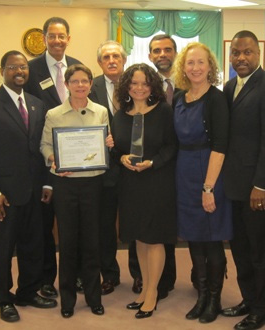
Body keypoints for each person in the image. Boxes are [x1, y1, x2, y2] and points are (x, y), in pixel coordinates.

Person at [0, 50, 57, 323]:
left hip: (33, 191)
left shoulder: (36, 103)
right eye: (12, 67)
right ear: (2, 70)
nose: (19, 72)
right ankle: (4, 299)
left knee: (33, 245)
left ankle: (28, 291)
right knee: (4, 250)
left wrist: (46, 182)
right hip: (4, 196)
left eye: (23, 67)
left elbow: (40, 148)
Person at [222, 30, 265, 330]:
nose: (241, 58)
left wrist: (261, 184)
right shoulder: (229, 86)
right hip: (233, 186)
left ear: (258, 53)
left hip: (258, 189)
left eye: (247, 52)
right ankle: (249, 299)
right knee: (241, 249)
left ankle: (263, 309)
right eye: (236, 52)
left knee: (262, 252)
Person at [40, 64, 108, 319]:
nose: (80, 85)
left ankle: (93, 297)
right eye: (75, 81)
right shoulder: (54, 114)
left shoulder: (100, 111)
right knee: (67, 243)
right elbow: (45, 145)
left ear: (91, 84)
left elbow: (104, 142)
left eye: (85, 81)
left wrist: (108, 141)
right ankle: (67, 299)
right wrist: (53, 160)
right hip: (65, 184)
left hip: (93, 183)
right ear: (67, 84)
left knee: (92, 242)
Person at [110, 63, 177, 319]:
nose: (139, 88)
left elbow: (172, 147)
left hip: (157, 181)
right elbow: (116, 150)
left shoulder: (164, 112)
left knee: (154, 237)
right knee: (138, 237)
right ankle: (144, 289)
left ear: (152, 86)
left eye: (144, 83)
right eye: (134, 83)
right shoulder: (120, 114)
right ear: (127, 85)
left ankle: (152, 292)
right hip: (130, 184)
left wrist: (153, 162)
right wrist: (122, 158)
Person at [172, 42, 232, 324]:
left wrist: (208, 187)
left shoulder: (216, 99)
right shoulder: (179, 98)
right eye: (190, 63)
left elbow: (220, 146)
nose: (195, 68)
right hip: (184, 172)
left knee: (212, 240)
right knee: (194, 238)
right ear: (183, 67)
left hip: (209, 172)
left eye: (200, 62)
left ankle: (214, 299)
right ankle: (201, 295)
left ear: (210, 67)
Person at [25, 16, 82, 298]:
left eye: (62, 35)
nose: (57, 40)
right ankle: (46, 278)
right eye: (52, 35)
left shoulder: (77, 66)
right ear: (44, 38)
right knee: (44, 225)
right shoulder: (30, 69)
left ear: (68, 38)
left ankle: (77, 276)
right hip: (43, 161)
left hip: (77, 162)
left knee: (75, 223)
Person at [89, 40, 127, 296]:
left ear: (123, 60)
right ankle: (109, 274)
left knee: (135, 224)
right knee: (104, 227)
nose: (112, 60)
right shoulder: (89, 86)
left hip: (133, 167)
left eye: (116, 56)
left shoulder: (137, 83)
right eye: (106, 57)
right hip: (103, 171)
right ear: (100, 63)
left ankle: (139, 275)